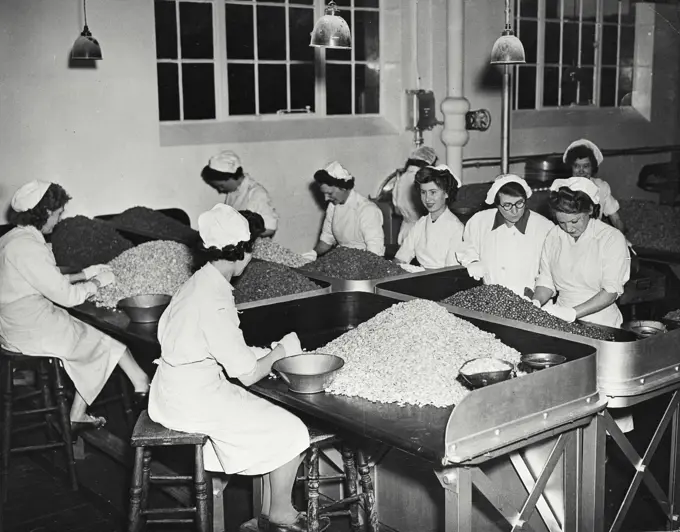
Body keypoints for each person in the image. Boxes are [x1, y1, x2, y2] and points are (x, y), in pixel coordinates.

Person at [148, 204, 323, 532]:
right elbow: (248, 374)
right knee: (293, 430)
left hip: (170, 389)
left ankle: (266, 517)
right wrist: (283, 350)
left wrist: (265, 352)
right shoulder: (215, 298)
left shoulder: (197, 284)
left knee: (267, 418)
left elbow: (214, 347)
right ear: (243, 251)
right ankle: (280, 513)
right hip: (193, 400)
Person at [0, 181, 150, 433]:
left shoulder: (11, 238)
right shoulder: (27, 247)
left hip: (12, 324)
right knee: (106, 341)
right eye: (57, 213)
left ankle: (82, 412)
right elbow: (67, 297)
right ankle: (140, 384)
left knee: (93, 335)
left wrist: (83, 273)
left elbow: (40, 278)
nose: (59, 220)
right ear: (45, 212)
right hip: (30, 328)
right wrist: (95, 283)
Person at [533, 177, 631, 328]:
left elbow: (611, 291)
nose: (569, 229)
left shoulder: (611, 238)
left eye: (575, 221)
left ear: (590, 210)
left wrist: (572, 313)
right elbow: (546, 281)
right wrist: (535, 302)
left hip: (601, 323)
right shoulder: (554, 235)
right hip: (561, 321)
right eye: (562, 222)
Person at [456, 174, 554, 297]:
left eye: (519, 203)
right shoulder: (479, 221)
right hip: (491, 299)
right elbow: (467, 247)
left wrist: (536, 301)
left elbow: (549, 273)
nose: (514, 211)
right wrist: (473, 260)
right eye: (507, 205)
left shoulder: (544, 227)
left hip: (532, 300)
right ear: (497, 204)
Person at [304, 161, 385, 260]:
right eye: (324, 194)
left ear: (343, 188)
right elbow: (326, 240)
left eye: (330, 193)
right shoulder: (333, 206)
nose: (326, 198)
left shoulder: (367, 210)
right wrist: (312, 253)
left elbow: (375, 252)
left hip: (364, 261)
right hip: (341, 259)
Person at [394, 165, 464, 269]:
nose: (427, 198)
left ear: (446, 194)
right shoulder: (421, 224)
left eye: (433, 192)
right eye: (423, 192)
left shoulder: (456, 228)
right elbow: (401, 258)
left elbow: (450, 273)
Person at [201, 150, 279, 237]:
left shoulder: (256, 193)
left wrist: (245, 236)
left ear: (231, 178)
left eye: (221, 186)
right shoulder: (233, 192)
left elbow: (270, 228)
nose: (220, 190)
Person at [563, 139, 626, 234]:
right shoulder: (564, 189)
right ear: (571, 167)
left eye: (586, 166)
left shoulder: (601, 187)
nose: (581, 171)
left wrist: (622, 238)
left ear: (592, 167)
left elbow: (616, 219)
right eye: (576, 166)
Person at [392, 146, 437, 245]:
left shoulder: (401, 179)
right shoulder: (424, 180)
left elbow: (397, 210)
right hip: (421, 232)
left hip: (405, 231)